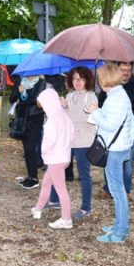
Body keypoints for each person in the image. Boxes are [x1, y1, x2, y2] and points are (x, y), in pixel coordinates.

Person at [87, 64, 134, 243]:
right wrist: (99, 111)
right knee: (118, 190)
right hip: (120, 147)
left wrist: (95, 112)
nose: (98, 81)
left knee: (117, 191)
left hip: (115, 150)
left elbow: (110, 125)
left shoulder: (115, 98)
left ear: (105, 80)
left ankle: (120, 232)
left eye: (100, 78)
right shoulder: (117, 95)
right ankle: (119, 225)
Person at [49, 67, 97, 219]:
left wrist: (66, 110)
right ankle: (54, 199)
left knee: (84, 175)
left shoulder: (91, 97)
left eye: (81, 79)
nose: (78, 82)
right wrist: (62, 107)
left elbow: (84, 119)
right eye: (75, 78)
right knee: (57, 168)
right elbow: (65, 118)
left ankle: (86, 207)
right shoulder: (70, 95)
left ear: (87, 80)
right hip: (68, 139)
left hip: (84, 141)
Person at [97, 61, 134, 200]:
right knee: (108, 158)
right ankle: (109, 187)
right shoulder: (109, 86)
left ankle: (125, 189)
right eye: (123, 70)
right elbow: (101, 104)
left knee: (127, 161)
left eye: (129, 70)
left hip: (129, 130)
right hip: (111, 131)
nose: (126, 73)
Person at [30, 88, 75, 228]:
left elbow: (48, 141)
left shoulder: (52, 119)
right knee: (46, 183)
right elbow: (72, 134)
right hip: (64, 156)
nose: (43, 108)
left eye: (43, 105)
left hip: (55, 158)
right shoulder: (64, 115)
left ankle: (66, 219)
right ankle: (38, 209)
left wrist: (44, 154)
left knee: (61, 188)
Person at [9, 75, 46, 189]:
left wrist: (23, 94)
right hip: (22, 119)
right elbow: (12, 99)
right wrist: (18, 92)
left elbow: (35, 100)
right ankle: (30, 176)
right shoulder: (20, 81)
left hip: (35, 118)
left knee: (31, 147)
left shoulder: (40, 82)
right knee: (26, 149)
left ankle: (34, 178)